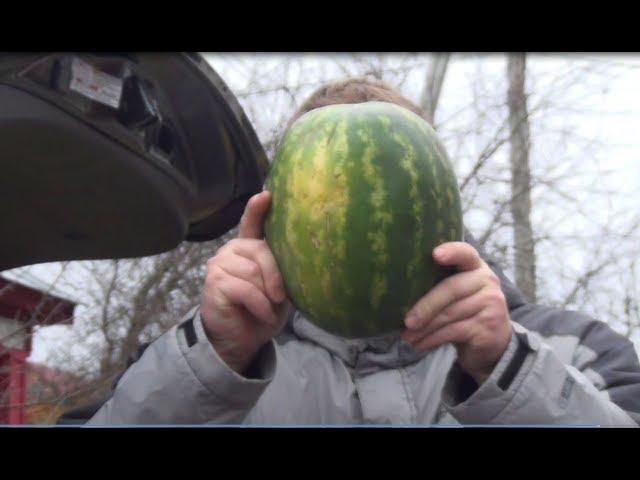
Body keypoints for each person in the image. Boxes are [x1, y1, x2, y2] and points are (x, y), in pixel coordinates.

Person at [84, 78, 640, 426]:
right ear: (277, 212)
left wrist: (508, 372)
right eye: (327, 199)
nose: (351, 221)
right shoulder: (203, 357)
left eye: (379, 196)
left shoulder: (573, 351)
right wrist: (212, 364)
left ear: (435, 200)